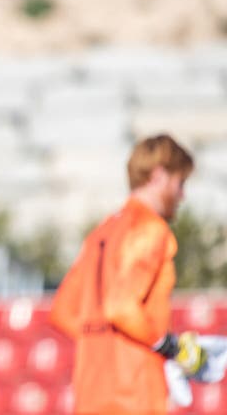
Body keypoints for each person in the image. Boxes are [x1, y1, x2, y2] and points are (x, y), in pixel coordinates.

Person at [50, 134, 206, 414]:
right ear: (158, 175)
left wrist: (105, 343)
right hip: (135, 393)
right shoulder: (150, 228)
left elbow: (62, 311)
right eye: (180, 183)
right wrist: (170, 347)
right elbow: (120, 306)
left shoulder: (102, 232)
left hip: (91, 392)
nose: (182, 195)